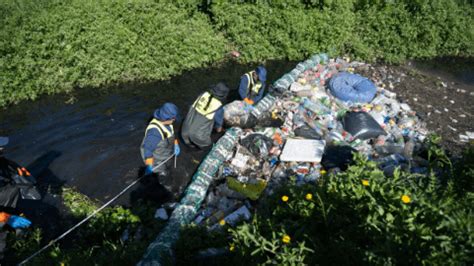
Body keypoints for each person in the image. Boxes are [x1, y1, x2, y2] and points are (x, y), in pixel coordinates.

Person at [0, 136, 34, 260]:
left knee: (13, 190)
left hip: (4, 205)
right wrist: (5, 218)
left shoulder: (3, 162)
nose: (2, 148)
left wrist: (23, 175)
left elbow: (16, 173)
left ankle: (14, 230)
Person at [181, 82, 230, 149]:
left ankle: (190, 146)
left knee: (188, 141)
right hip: (197, 136)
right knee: (207, 145)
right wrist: (219, 129)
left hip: (184, 132)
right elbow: (218, 128)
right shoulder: (218, 106)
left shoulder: (203, 94)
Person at [140, 103, 180, 177]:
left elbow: (171, 134)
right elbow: (147, 149)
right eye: (173, 118)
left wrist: (176, 143)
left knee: (167, 166)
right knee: (161, 175)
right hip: (157, 160)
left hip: (165, 152)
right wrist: (149, 165)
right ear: (166, 119)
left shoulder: (167, 123)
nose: (174, 120)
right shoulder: (154, 133)